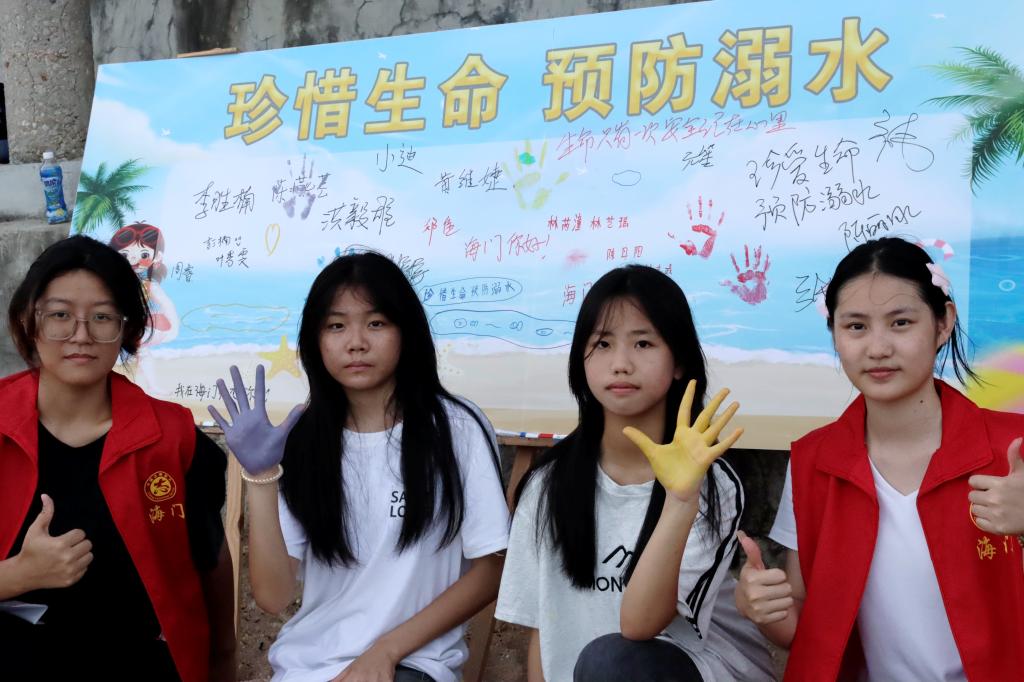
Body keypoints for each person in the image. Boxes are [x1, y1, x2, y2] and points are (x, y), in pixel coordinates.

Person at [208, 251, 509, 682]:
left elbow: (491, 569)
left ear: (406, 332)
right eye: (336, 326)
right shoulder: (301, 442)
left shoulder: (455, 428)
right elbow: (274, 596)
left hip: (413, 665)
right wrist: (260, 479)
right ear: (315, 340)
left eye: (376, 323)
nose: (356, 342)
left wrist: (386, 650)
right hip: (307, 668)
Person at [735, 236, 1024, 680]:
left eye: (901, 323)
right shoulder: (814, 460)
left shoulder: (1013, 448)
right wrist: (762, 609)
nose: (877, 348)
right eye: (856, 327)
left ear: (943, 323)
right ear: (834, 333)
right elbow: (806, 628)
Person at [495, 264, 774, 682]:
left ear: (679, 362)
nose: (621, 364)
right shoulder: (546, 484)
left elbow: (640, 625)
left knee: (613, 662)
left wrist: (680, 500)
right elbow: (543, 632)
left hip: (684, 672)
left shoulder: (711, 482)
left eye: (643, 343)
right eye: (602, 344)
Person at [0, 235, 235, 681]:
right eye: (60, 315)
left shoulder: (174, 438)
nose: (81, 335)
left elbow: (209, 560)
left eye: (102, 317)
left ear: (128, 330)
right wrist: (18, 574)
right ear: (29, 322)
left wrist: (224, 660)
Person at [110, 222, 179, 392]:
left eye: (144, 254)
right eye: (125, 254)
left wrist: (173, 326)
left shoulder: (148, 284)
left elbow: (166, 303)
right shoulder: (112, 283)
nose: (133, 260)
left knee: (140, 354)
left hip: (134, 326)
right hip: (115, 326)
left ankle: (148, 386)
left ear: (157, 257)